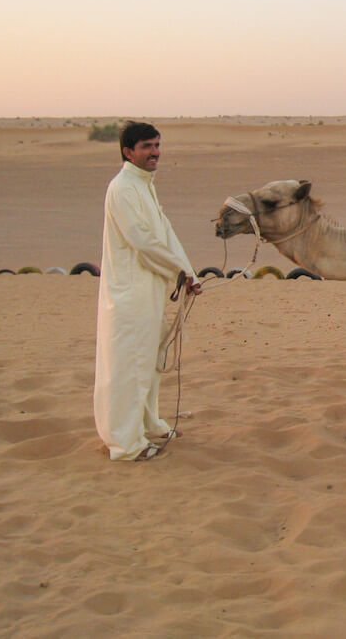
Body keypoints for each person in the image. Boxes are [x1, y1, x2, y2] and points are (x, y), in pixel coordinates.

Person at [94, 121, 202, 462]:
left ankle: (149, 425)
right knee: (130, 366)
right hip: (130, 294)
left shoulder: (144, 186)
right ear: (129, 152)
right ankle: (126, 444)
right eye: (147, 147)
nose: (155, 152)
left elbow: (164, 233)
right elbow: (142, 240)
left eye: (157, 145)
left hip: (151, 289)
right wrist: (179, 271)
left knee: (150, 363)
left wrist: (188, 272)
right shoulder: (123, 188)